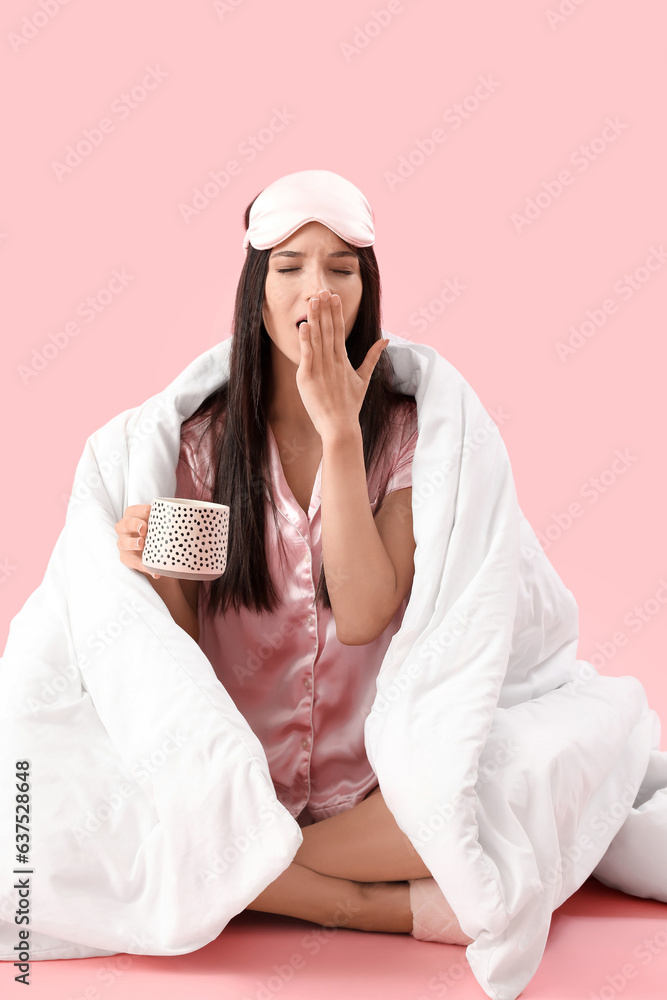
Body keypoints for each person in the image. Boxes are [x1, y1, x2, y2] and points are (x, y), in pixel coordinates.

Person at [113, 170, 471, 945]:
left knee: (470, 813)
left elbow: (367, 613)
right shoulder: (204, 442)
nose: (317, 291)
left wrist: (342, 434)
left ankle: (245, 877)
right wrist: (149, 566)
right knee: (108, 820)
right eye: (289, 267)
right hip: (239, 786)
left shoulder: (409, 434)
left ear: (364, 288)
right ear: (257, 289)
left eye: (340, 269)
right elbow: (174, 661)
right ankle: (362, 907)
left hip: (370, 792)